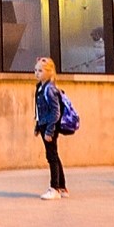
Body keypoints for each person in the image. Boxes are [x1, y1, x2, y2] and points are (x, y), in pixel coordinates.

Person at [34, 57, 68, 199]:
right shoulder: (40, 87)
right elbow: (39, 110)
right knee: (54, 155)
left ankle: (54, 188)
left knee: (51, 156)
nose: (37, 73)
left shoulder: (50, 89)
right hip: (44, 125)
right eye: (35, 70)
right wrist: (37, 126)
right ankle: (62, 187)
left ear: (49, 72)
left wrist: (49, 130)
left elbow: (55, 112)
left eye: (40, 71)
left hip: (49, 127)